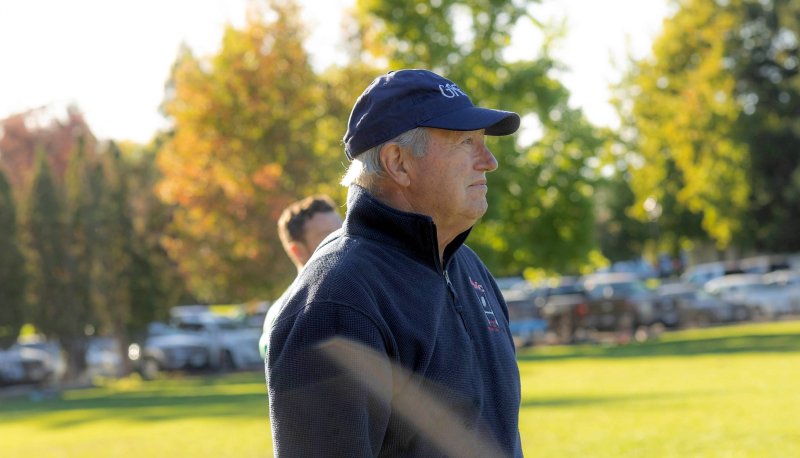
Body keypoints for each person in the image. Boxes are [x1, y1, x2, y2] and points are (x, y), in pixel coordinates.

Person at [267, 69, 523, 457]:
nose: (488, 161)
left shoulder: (469, 269)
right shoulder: (337, 301)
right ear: (398, 162)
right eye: (465, 142)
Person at [258, 195, 343, 360]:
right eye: (327, 237)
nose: (341, 242)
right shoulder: (283, 315)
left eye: (342, 232)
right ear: (297, 251)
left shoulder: (359, 290)